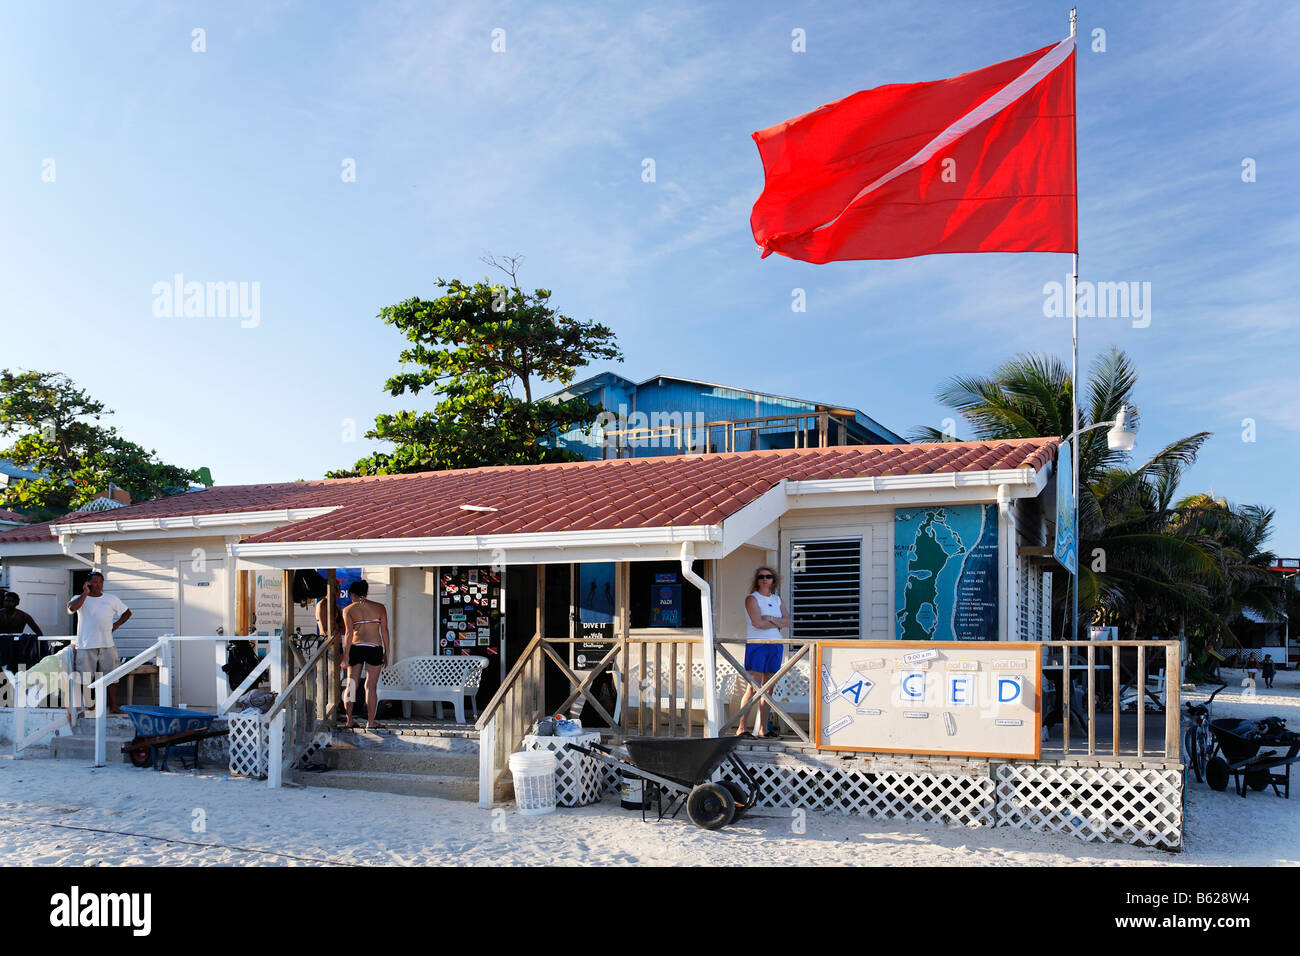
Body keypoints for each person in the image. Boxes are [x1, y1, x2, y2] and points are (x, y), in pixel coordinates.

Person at [65, 571, 131, 714]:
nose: (98, 585)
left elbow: (127, 613)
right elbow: (71, 608)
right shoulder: (79, 598)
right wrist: (85, 593)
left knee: (112, 676)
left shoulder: (111, 599)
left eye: (100, 582)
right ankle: (90, 705)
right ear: (88, 583)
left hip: (107, 644)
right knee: (86, 677)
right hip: (86, 644)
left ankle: (113, 706)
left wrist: (116, 625)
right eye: (94, 582)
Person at [735, 566, 790, 738]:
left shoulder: (777, 599)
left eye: (768, 576)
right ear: (757, 580)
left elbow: (788, 621)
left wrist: (771, 619)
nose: (765, 579)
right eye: (761, 577)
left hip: (775, 645)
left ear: (774, 579)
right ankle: (741, 728)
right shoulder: (752, 598)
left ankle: (763, 729)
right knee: (754, 688)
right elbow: (758, 623)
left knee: (768, 689)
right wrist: (777, 622)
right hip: (757, 645)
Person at [341, 579, 389, 730]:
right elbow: (385, 631)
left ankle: (349, 720)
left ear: (353, 594)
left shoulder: (348, 610)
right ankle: (370, 722)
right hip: (374, 647)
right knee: (371, 686)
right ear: (366, 592)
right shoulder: (379, 607)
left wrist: (345, 655)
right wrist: (387, 651)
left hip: (356, 646)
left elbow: (348, 634)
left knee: (351, 684)